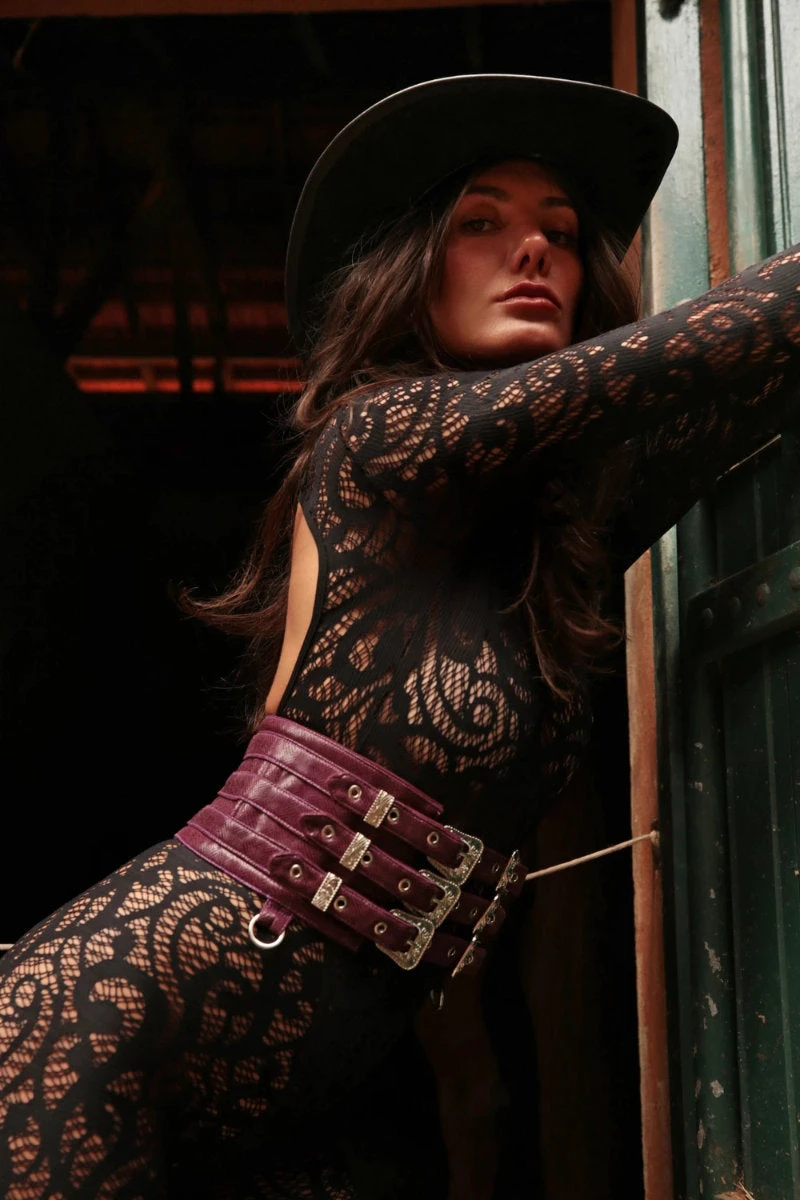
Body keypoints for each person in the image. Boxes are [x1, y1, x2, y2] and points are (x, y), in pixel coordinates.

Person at [2, 73, 800, 1198]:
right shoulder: (383, 433)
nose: (534, 249)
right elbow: (726, 337)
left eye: (562, 232)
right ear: (410, 270)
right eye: (481, 223)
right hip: (115, 1023)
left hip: (316, 1085)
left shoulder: (556, 526)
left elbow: (756, 382)